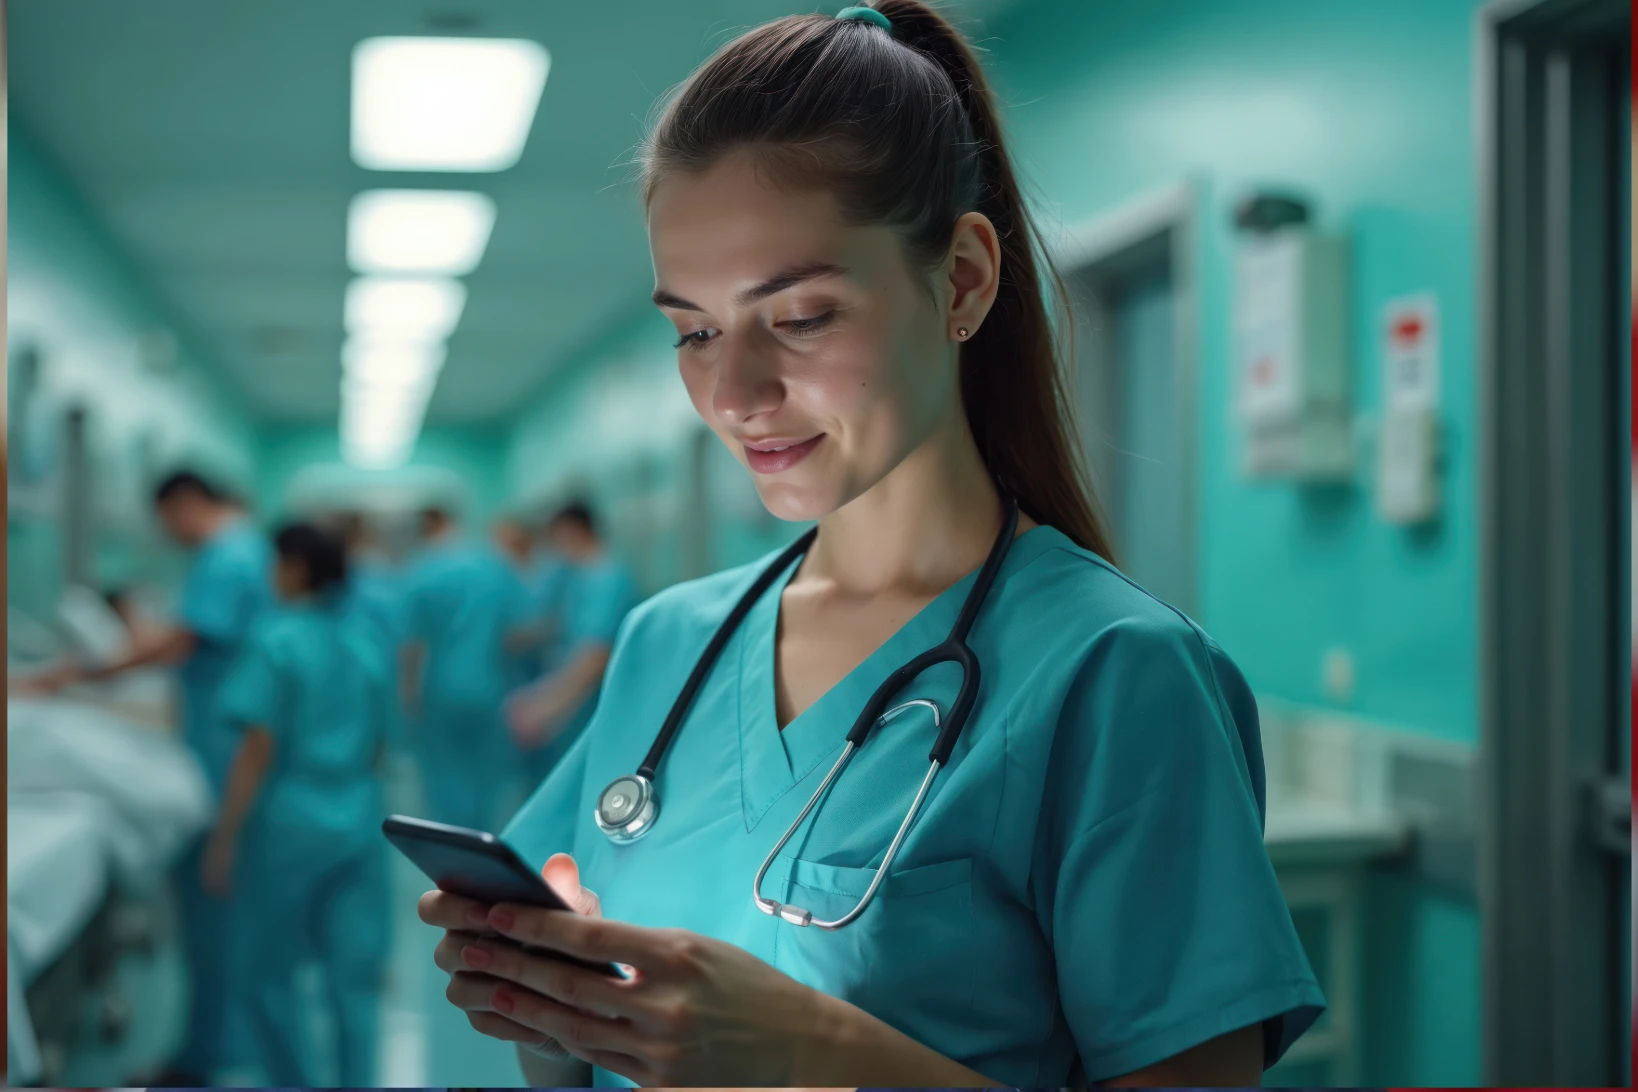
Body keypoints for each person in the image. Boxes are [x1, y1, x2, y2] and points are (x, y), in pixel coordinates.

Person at [418, 3, 1324, 1087]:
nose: (735, 394)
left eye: (799, 317)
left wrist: (814, 1051)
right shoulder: (670, 646)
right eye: (695, 330)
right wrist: (550, 994)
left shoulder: (1115, 675)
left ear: (965, 280)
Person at [25, 468, 271, 1084]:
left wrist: (74, 673)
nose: (168, 535)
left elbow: (178, 643)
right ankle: (216, 1042)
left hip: (223, 743)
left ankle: (208, 1052)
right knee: (224, 906)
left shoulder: (228, 556)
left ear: (186, 505)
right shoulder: (246, 552)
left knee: (213, 900)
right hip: (223, 736)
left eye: (166, 521)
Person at [205, 522, 392, 1087]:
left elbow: (257, 746)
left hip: (289, 821)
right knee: (353, 979)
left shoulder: (276, 638)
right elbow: (381, 742)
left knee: (269, 973)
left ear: (294, 569)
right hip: (359, 814)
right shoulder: (365, 638)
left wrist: (225, 837)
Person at [401, 504, 529, 831]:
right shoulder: (494, 566)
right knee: (487, 773)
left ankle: (453, 843)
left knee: (444, 769)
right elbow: (516, 634)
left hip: (440, 687)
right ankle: (483, 837)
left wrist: (408, 690)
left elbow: (412, 642)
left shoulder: (423, 569)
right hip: (489, 684)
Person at [505, 502, 637, 783]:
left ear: (573, 532)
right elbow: (562, 629)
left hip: (592, 704)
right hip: (577, 701)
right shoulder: (578, 578)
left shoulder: (607, 579)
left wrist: (547, 705)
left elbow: (594, 658)